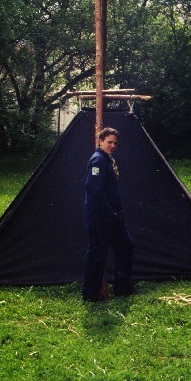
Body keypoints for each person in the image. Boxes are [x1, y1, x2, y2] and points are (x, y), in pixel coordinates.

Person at [82, 127, 134, 302]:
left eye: (115, 143)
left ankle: (122, 288)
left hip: (114, 216)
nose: (112, 145)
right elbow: (95, 191)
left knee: (125, 248)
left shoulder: (108, 159)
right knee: (97, 254)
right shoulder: (97, 161)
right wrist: (110, 212)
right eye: (109, 142)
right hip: (100, 216)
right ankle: (90, 293)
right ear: (100, 141)